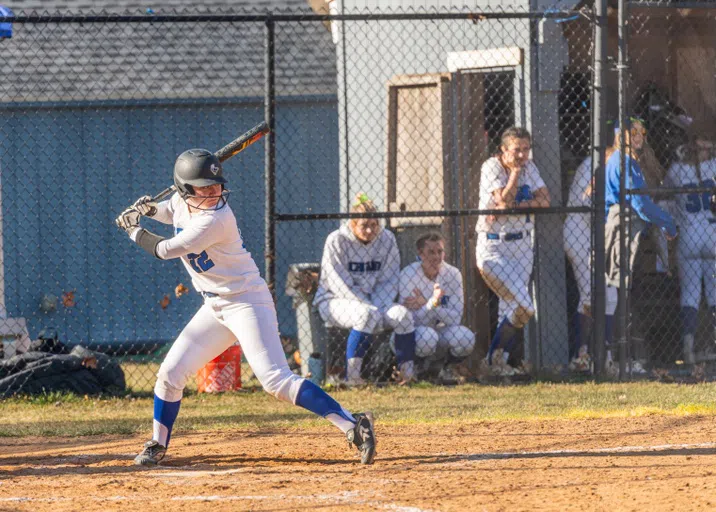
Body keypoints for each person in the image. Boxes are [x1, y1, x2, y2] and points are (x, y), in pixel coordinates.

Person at [115, 149, 376, 466]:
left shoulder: (216, 218)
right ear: (185, 190)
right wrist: (150, 209)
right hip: (215, 306)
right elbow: (171, 211)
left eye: (216, 186)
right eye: (204, 187)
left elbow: (165, 249)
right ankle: (157, 443)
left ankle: (353, 424)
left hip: (246, 302)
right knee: (170, 374)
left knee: (275, 380)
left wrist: (133, 228)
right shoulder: (184, 204)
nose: (214, 192)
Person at [313, 193, 416, 385]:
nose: (369, 230)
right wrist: (368, 306)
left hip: (376, 301)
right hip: (334, 300)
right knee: (365, 315)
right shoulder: (336, 240)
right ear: (353, 224)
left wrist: (375, 305)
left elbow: (390, 279)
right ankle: (353, 377)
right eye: (364, 225)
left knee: (403, 315)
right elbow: (337, 282)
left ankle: (407, 375)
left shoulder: (387, 239)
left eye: (374, 225)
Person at [604, 117, 678, 373]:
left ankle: (626, 358)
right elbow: (640, 204)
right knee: (619, 291)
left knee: (626, 291)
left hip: (630, 227)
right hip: (620, 226)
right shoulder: (622, 161)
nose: (639, 136)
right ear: (620, 135)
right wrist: (668, 223)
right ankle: (616, 359)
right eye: (632, 131)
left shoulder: (628, 161)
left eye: (642, 131)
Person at [475, 127, 551, 374]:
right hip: (494, 245)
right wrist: (515, 175)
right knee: (525, 306)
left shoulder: (531, 166)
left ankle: (498, 363)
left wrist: (517, 204)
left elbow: (545, 200)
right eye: (516, 149)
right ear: (504, 149)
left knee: (509, 308)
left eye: (526, 149)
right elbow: (503, 202)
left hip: (522, 245)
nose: (522, 155)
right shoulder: (492, 167)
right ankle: (491, 360)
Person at [664, 138, 716, 364]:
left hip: (688, 234)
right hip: (713, 233)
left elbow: (665, 196)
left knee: (691, 293)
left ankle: (688, 346)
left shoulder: (677, 170)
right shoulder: (714, 167)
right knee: (714, 293)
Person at [398, 232, 475, 384]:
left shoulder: (453, 274)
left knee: (466, 337)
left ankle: (445, 368)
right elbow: (411, 320)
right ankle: (418, 370)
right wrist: (433, 303)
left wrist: (428, 304)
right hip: (417, 332)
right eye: (431, 252)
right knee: (428, 336)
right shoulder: (408, 274)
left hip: (442, 329)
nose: (436, 257)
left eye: (440, 251)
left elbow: (456, 318)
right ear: (420, 254)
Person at [564, 156, 594, 372]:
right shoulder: (593, 164)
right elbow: (587, 203)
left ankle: (595, 353)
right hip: (579, 234)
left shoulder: (616, 163)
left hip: (592, 235)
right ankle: (581, 354)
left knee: (606, 296)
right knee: (589, 296)